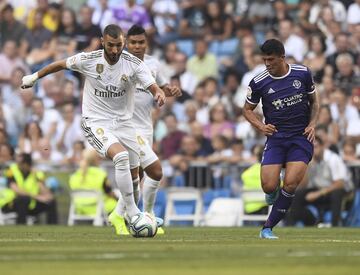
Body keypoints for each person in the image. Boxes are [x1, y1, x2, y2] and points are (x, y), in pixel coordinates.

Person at [21, 24, 166, 230]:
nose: (115, 50)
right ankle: (135, 214)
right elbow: (60, 64)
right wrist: (34, 77)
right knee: (121, 157)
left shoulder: (133, 64)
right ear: (102, 41)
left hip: (124, 124)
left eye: (118, 45)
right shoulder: (89, 59)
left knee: (136, 176)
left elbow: (152, 85)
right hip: (96, 122)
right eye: (110, 45)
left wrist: (158, 93)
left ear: (123, 42)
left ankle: (119, 215)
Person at [243, 39, 319, 239]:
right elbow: (247, 110)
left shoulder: (302, 73)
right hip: (276, 138)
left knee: (291, 183)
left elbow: (315, 102)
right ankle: (272, 190)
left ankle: (267, 228)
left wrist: (312, 124)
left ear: (282, 57)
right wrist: (261, 126)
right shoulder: (258, 82)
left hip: (300, 137)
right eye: (265, 59)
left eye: (271, 59)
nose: (267, 64)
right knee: (269, 186)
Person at [112, 24, 181, 235]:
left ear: (146, 43)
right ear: (125, 44)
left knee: (139, 175)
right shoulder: (117, 65)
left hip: (146, 126)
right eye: (132, 42)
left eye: (140, 42)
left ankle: (122, 214)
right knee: (155, 170)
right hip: (127, 127)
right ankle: (146, 215)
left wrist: (170, 90)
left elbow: (161, 88)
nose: (137, 46)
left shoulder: (153, 64)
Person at [286, 136, 351, 227]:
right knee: (298, 194)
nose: (313, 150)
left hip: (335, 190)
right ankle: (292, 224)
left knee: (337, 193)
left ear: (322, 146)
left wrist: (318, 193)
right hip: (319, 190)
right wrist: (306, 166)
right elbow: (303, 184)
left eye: (316, 147)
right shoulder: (310, 160)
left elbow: (340, 183)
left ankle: (335, 225)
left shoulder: (332, 159)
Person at [2, 153, 57, 224]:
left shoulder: (36, 173)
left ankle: (52, 228)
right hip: (11, 203)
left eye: (20, 163)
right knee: (24, 199)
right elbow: (15, 189)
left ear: (26, 164)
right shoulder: (11, 170)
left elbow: (46, 193)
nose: (17, 164)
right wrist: (36, 196)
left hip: (30, 204)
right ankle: (21, 225)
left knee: (51, 201)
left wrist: (37, 179)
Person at [69, 148, 117, 216]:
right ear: (95, 160)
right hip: (98, 207)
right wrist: (117, 198)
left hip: (80, 207)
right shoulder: (100, 174)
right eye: (98, 158)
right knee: (118, 203)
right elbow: (109, 193)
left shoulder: (74, 175)